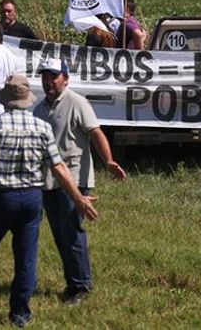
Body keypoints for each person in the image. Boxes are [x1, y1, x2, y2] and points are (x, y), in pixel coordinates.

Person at [0, 74, 98, 327]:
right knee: (26, 258)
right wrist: (77, 197)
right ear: (27, 100)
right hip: (32, 198)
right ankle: (20, 314)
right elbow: (59, 168)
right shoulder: (42, 127)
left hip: (1, 197)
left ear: (5, 101)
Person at [33, 58, 126, 304]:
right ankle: (72, 283)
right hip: (49, 182)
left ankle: (81, 287)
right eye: (45, 76)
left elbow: (95, 133)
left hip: (73, 181)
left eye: (53, 76)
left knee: (72, 233)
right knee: (60, 235)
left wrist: (108, 161)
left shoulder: (77, 103)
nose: (48, 81)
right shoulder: (40, 107)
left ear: (65, 78)